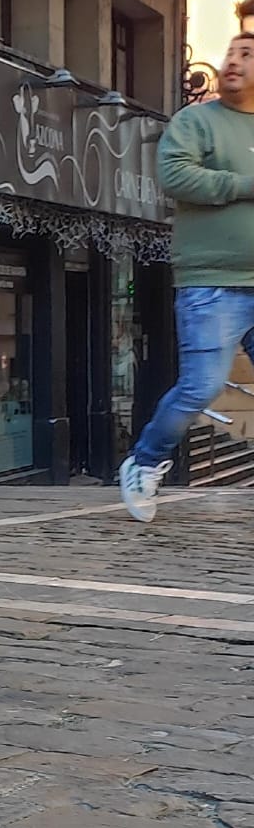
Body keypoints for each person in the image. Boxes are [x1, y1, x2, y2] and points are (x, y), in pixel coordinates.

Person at [120, 33, 254, 523]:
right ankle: (145, 462)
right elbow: (176, 176)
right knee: (201, 386)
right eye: (232, 52)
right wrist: (246, 184)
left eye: (249, 55)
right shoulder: (196, 121)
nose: (234, 61)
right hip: (211, 280)